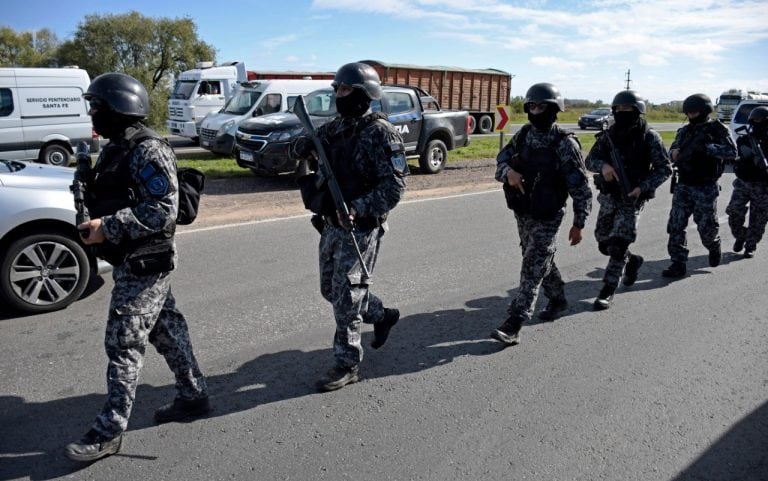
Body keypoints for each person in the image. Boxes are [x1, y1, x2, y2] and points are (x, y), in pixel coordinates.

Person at [65, 73, 210, 462]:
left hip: (146, 259)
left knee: (123, 342)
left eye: (97, 106)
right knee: (167, 330)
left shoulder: (149, 150)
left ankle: (109, 430)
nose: (93, 113)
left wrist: (107, 227)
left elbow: (164, 211)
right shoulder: (117, 148)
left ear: (119, 107)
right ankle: (193, 395)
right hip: (129, 256)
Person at [295, 62, 408, 391]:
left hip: (360, 226)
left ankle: (347, 363)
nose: (338, 95)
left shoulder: (381, 133)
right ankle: (383, 315)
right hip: (331, 222)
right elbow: (305, 147)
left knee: (346, 296)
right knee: (330, 289)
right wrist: (301, 147)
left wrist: (358, 208)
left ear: (364, 94)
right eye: (337, 89)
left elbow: (395, 188)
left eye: (344, 90)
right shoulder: (335, 128)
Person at [491, 82, 592, 346]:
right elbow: (500, 162)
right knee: (537, 256)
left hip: (549, 213)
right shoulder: (523, 135)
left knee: (533, 263)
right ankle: (558, 298)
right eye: (532, 106)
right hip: (523, 210)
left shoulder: (564, 143)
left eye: (541, 106)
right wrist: (509, 173)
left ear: (554, 109)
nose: (536, 111)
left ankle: (515, 321)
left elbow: (580, 187)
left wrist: (579, 222)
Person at [585, 90, 672, 309]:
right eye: (619, 109)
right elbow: (590, 160)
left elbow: (664, 169)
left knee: (619, 243)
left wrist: (643, 187)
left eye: (627, 109)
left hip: (633, 197)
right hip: (609, 196)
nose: (622, 113)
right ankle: (632, 261)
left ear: (638, 111)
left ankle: (608, 289)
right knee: (603, 241)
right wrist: (603, 166)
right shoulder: (608, 136)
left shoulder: (649, 137)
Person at [662, 93, 737, 278]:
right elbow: (672, 150)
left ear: (704, 111)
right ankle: (678, 263)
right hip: (684, 184)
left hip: (705, 186)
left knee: (706, 227)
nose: (690, 115)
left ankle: (714, 244)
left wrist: (708, 148)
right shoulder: (684, 131)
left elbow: (732, 152)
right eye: (688, 112)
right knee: (675, 225)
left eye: (694, 112)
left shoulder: (718, 130)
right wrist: (674, 153)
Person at [726, 106, 768, 258]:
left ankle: (750, 245)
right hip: (743, 183)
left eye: (761, 120)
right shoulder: (744, 139)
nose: (758, 123)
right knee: (734, 212)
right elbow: (734, 158)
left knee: (759, 218)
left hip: (763, 186)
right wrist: (745, 157)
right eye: (755, 120)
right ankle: (741, 235)